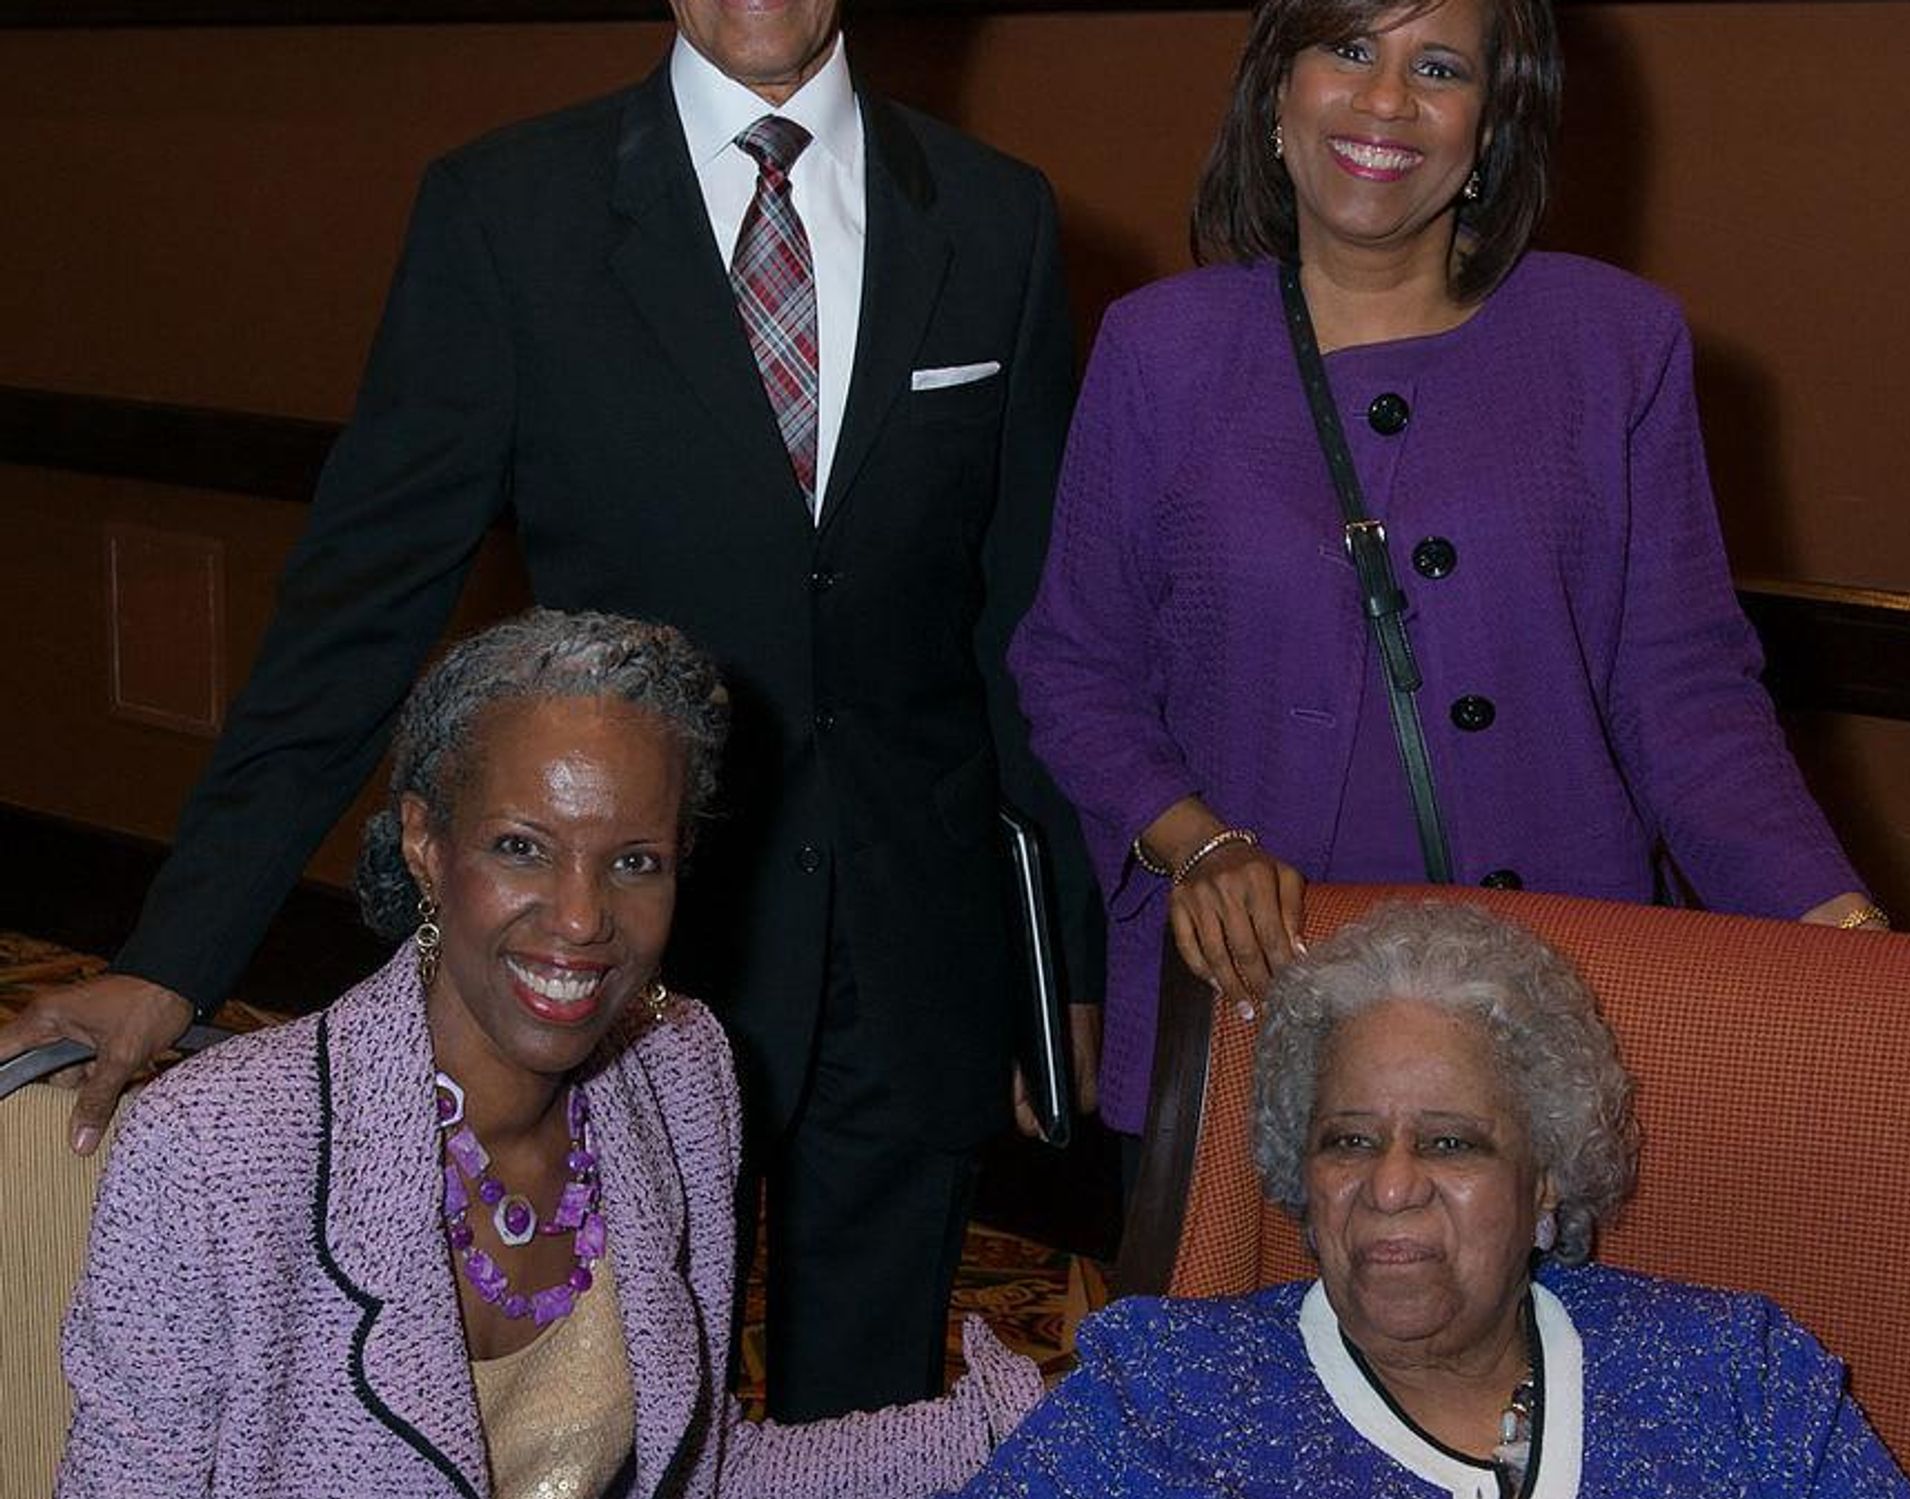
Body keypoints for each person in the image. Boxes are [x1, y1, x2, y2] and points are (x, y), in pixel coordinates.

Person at [2, 0, 1097, 1421]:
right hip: (613, 968)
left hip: (913, 954)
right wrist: (176, 954)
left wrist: (1058, 955)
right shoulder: (507, 213)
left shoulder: (995, 218)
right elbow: (357, 612)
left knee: (869, 1420)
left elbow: (1033, 625)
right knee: (616, 1411)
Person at [1005, 0, 1877, 1152]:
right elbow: (1073, 669)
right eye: (1348, 50)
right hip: (1254, 998)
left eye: (1438, 67)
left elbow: (1684, 694)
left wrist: (1836, 919)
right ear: (1275, 94)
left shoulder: (1613, 344)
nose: (1384, 101)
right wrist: (1197, 843)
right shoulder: (1157, 349)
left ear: (1493, 122)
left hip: (1548, 1001)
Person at [57, 610, 1045, 1498]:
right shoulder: (210, 1148)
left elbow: (697, 1468)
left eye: (633, 861)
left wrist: (1000, 1428)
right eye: (521, 846)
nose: (581, 917)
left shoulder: (681, 1070)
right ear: (425, 845)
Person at [952, 900, 1910, 1496]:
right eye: (1347, 1139)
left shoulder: (1734, 1379)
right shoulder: (1164, 1393)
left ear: (1542, 1174)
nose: (1389, 1182)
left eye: (1450, 1140)